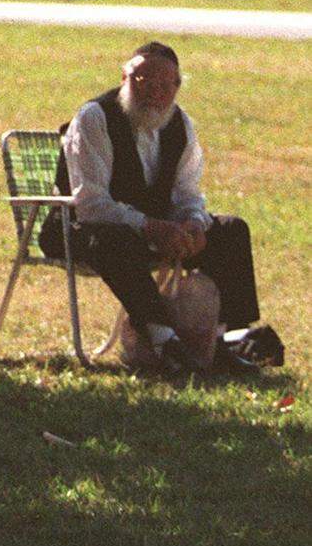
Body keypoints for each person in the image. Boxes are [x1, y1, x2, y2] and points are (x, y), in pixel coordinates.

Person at [44, 40, 262, 377]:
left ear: (176, 88)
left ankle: (222, 342)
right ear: (124, 78)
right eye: (142, 82)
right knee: (115, 239)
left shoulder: (180, 125)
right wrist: (150, 226)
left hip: (154, 231)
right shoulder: (95, 118)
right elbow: (90, 204)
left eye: (164, 86)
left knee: (231, 230)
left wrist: (193, 225)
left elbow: (187, 191)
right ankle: (164, 341)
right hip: (79, 232)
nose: (153, 93)